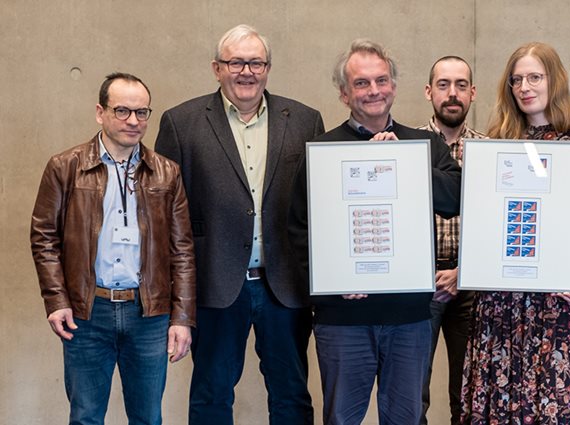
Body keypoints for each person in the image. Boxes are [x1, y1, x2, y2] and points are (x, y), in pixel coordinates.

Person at [154, 24, 324, 424]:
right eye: (236, 62)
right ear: (217, 68)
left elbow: (317, 209)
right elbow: (165, 217)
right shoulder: (181, 122)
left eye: (256, 62)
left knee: (291, 396)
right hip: (214, 286)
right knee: (211, 396)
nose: (246, 71)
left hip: (284, 287)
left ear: (267, 68)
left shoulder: (304, 120)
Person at [289, 39, 461, 425]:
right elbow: (298, 231)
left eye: (381, 80)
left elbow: (455, 199)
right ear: (344, 93)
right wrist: (329, 283)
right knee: (341, 419)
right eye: (362, 83)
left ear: (394, 87)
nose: (374, 91)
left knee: (406, 418)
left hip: (409, 317)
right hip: (343, 316)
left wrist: (403, 161)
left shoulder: (424, 145)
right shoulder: (321, 150)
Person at [460, 41, 570, 424]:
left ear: (555, 80)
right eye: (517, 79)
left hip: (561, 306)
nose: (525, 87)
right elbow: (482, 225)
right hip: (503, 308)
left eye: (535, 77)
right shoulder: (494, 147)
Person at [30, 72, 195, 425]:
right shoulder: (65, 167)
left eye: (142, 112)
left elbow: (182, 250)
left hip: (148, 314)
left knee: (148, 417)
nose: (133, 121)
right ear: (100, 112)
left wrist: (182, 317)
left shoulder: (167, 173)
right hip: (87, 313)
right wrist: (56, 300)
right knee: (86, 416)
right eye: (122, 111)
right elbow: (44, 238)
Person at [417, 55, 486, 425]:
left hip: (472, 285)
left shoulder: (491, 152)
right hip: (418, 285)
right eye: (443, 85)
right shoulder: (408, 147)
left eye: (461, 85)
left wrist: (465, 270)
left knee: (469, 394)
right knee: (412, 394)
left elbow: (495, 227)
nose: (452, 93)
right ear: (429, 92)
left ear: (473, 93)